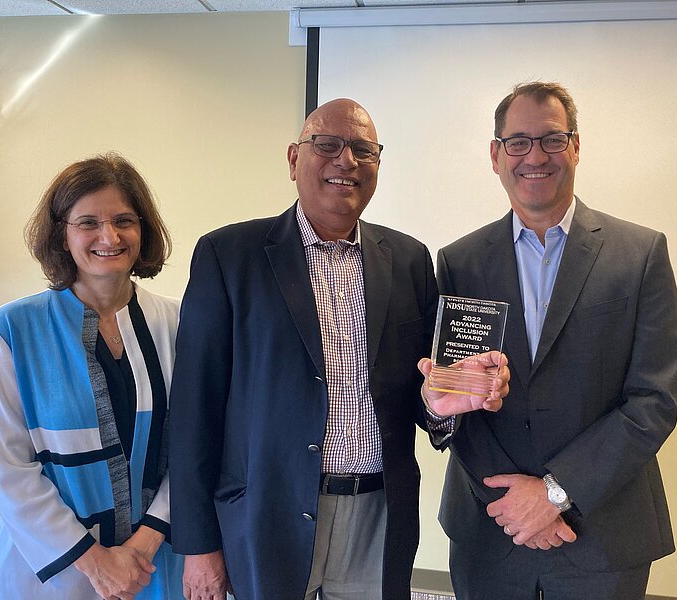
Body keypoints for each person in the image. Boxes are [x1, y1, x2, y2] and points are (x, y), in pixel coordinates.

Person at [168, 98, 509, 600]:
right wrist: (198, 546)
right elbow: (194, 408)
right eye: (326, 145)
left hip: (379, 512)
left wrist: (443, 405)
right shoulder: (228, 255)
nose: (345, 161)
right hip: (267, 513)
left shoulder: (410, 260)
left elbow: (422, 390)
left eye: (363, 150)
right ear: (293, 159)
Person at [435, 81, 677, 599]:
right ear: (496, 154)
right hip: (492, 526)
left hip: (603, 533)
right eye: (518, 141)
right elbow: (456, 400)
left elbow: (653, 401)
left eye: (551, 139)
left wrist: (554, 492)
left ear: (575, 146)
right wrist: (516, 502)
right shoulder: (459, 263)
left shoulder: (639, 255)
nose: (535, 156)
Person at [0, 153, 184, 599]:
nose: (109, 236)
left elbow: (194, 445)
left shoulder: (178, 322)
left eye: (124, 220)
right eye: (87, 222)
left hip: (154, 562)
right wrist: (97, 563)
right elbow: (10, 470)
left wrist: (142, 547)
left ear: (143, 229)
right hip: (55, 570)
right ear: (61, 235)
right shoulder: (9, 330)